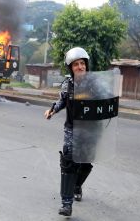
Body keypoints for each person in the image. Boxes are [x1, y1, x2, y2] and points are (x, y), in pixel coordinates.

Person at [44, 47, 94, 216]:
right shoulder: (68, 84)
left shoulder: (94, 83)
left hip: (90, 130)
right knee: (68, 161)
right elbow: (62, 101)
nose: (80, 67)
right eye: (75, 65)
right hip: (72, 128)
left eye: (82, 63)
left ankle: (77, 185)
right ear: (70, 68)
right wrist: (53, 110)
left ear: (86, 65)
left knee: (85, 163)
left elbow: (105, 104)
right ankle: (66, 203)